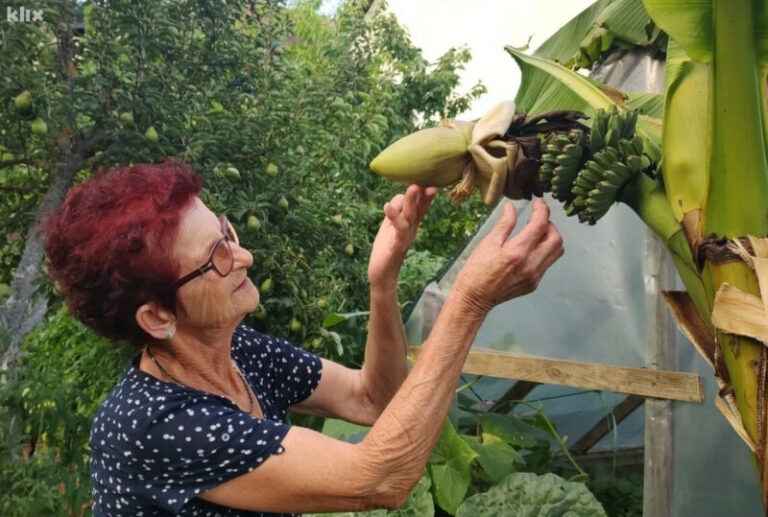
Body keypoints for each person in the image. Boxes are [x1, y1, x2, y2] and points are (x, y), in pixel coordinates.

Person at [41, 160, 563, 516]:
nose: (242, 256)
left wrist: (383, 283)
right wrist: (468, 303)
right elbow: (379, 479)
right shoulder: (153, 426)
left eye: (226, 233)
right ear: (156, 319)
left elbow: (373, 400)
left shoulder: (237, 349)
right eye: (216, 257)